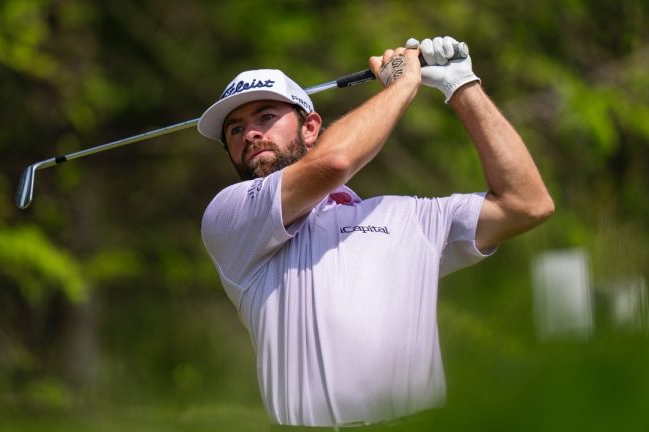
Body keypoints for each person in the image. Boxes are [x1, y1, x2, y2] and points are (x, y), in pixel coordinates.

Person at [196, 36, 554, 429]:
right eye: (235, 130)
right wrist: (404, 85)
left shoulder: (408, 217)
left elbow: (527, 204)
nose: (250, 135)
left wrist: (462, 86)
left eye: (265, 117)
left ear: (311, 127)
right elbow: (334, 162)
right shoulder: (230, 217)